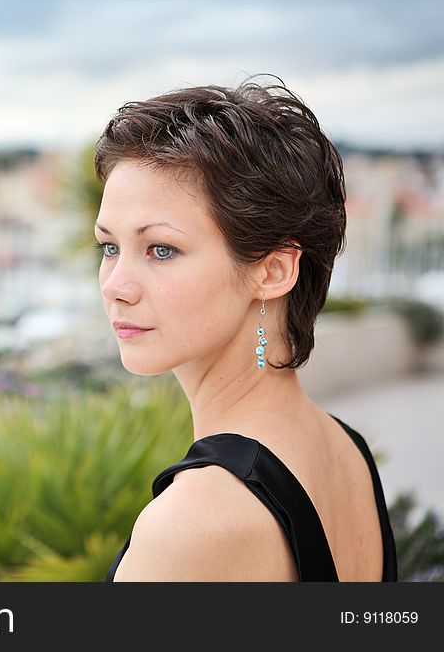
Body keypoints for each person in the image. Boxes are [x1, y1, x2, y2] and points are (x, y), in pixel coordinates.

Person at [94, 75, 397, 581]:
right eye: (109, 247)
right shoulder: (348, 450)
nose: (116, 285)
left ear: (273, 270)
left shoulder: (191, 524)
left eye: (161, 249)